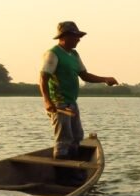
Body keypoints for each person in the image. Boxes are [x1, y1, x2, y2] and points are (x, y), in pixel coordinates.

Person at [39, 21, 118, 162]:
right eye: (75, 36)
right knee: (64, 140)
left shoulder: (74, 54)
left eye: (78, 36)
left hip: (71, 103)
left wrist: (105, 79)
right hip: (59, 104)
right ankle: (62, 174)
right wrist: (47, 101)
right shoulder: (53, 54)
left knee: (76, 137)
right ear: (64, 37)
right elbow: (43, 78)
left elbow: (84, 75)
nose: (78, 39)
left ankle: (73, 169)